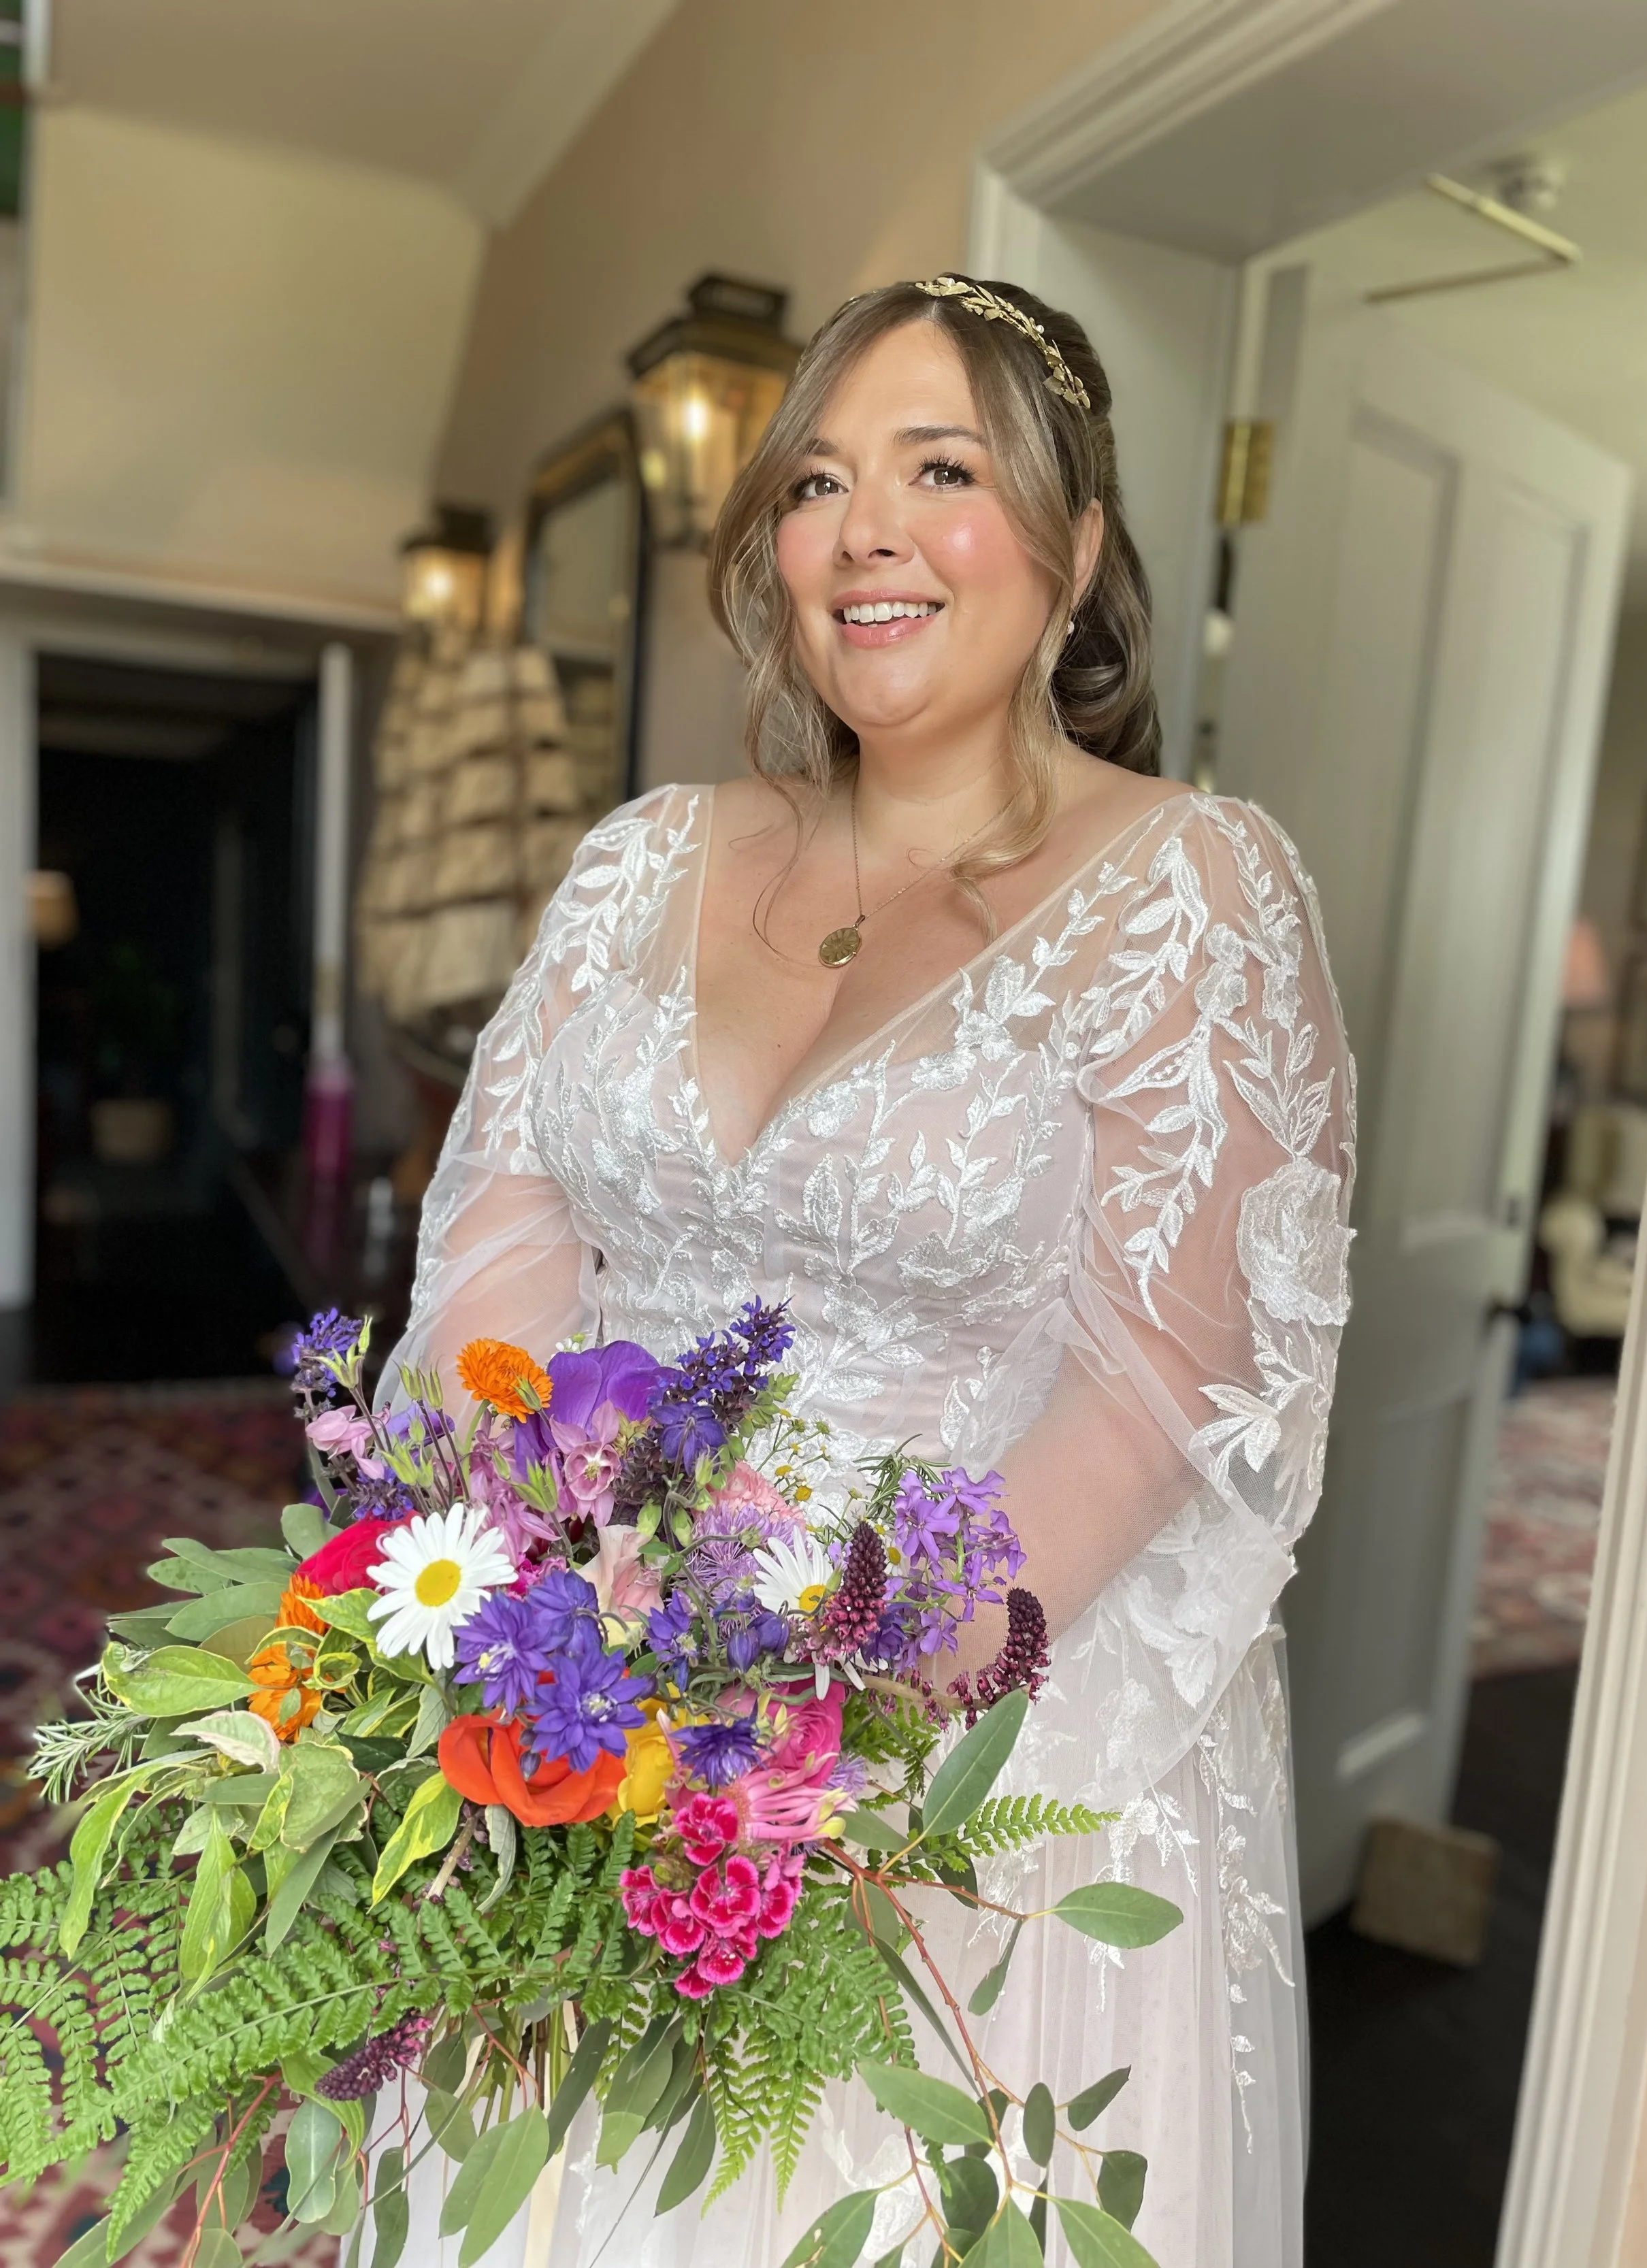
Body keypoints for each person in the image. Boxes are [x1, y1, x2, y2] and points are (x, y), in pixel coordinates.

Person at [380, 274, 1354, 2268]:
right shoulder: (646, 854)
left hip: (951, 1756)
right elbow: (505, 1225)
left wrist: (817, 1748)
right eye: (819, 480)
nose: (866, 530)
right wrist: (551, 1616)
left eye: (941, 468)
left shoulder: (1190, 882)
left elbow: (1165, 1375)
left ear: (1076, 549)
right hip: (577, 1699)